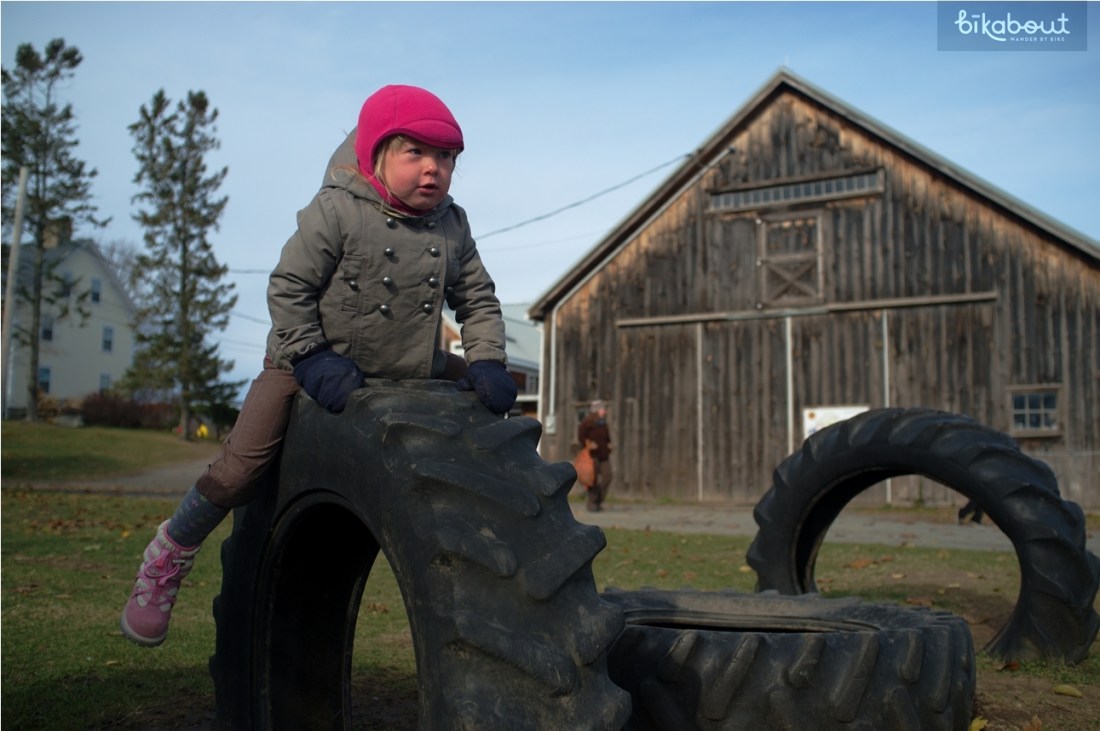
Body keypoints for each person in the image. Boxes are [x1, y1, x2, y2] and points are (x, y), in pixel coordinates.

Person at [120, 85, 517, 647]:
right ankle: (169, 552)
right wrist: (309, 356)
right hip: (309, 360)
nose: (433, 170)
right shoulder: (336, 210)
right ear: (377, 154)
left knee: (497, 413)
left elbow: (477, 300)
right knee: (239, 471)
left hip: (408, 363)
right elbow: (289, 288)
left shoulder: (453, 225)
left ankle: (513, 541)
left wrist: (487, 361)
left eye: (446, 157)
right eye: (416, 153)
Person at [577, 400, 613, 512]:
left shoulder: (603, 424)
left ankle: (599, 500)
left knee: (608, 477)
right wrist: (588, 443)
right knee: (593, 479)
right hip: (592, 456)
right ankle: (592, 502)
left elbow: (607, 438)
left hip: (604, 455)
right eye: (603, 409)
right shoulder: (587, 423)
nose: (605, 411)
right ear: (597, 410)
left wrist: (609, 445)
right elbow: (581, 436)